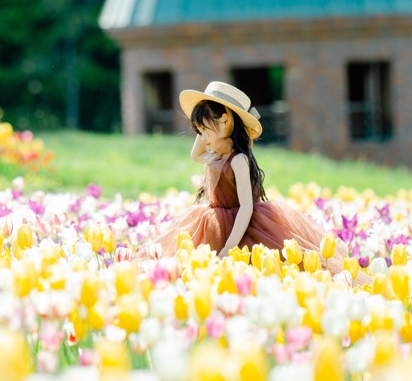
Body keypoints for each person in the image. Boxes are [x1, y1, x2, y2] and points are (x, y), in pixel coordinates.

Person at [145, 80, 362, 281]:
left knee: (252, 270)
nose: (203, 138)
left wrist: (230, 246)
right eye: (199, 131)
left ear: (225, 121)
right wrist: (208, 128)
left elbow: (246, 208)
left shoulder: (238, 160)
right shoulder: (215, 156)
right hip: (215, 222)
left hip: (244, 224)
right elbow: (195, 155)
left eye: (204, 130)